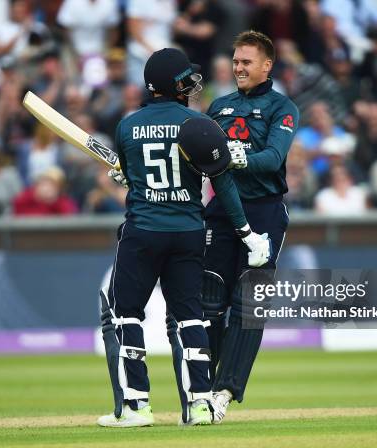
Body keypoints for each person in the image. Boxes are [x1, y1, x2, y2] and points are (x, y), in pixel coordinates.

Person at [97, 47, 271, 428]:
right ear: (171, 85)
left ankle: (137, 406)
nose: (192, 82)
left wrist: (128, 176)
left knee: (128, 315)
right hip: (190, 232)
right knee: (190, 317)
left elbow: (131, 172)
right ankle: (199, 405)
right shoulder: (198, 122)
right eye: (185, 78)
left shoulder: (127, 125)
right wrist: (245, 231)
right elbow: (221, 181)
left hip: (143, 231)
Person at [202, 31, 299, 423]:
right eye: (236, 60)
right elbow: (193, 160)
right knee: (209, 303)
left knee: (248, 307)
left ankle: (224, 393)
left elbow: (274, 157)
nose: (238, 67)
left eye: (246, 62)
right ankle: (202, 389)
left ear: (266, 66)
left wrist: (235, 158)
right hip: (221, 212)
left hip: (263, 213)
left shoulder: (283, 107)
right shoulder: (219, 106)